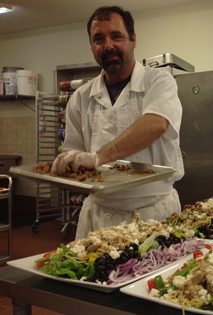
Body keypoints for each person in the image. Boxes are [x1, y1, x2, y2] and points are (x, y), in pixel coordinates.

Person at [51, 5, 184, 239]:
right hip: (99, 214)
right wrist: (66, 166)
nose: (108, 45)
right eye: (99, 39)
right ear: (92, 46)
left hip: (152, 213)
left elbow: (155, 123)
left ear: (133, 39)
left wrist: (97, 158)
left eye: (116, 36)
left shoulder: (158, 81)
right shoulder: (81, 98)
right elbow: (76, 158)